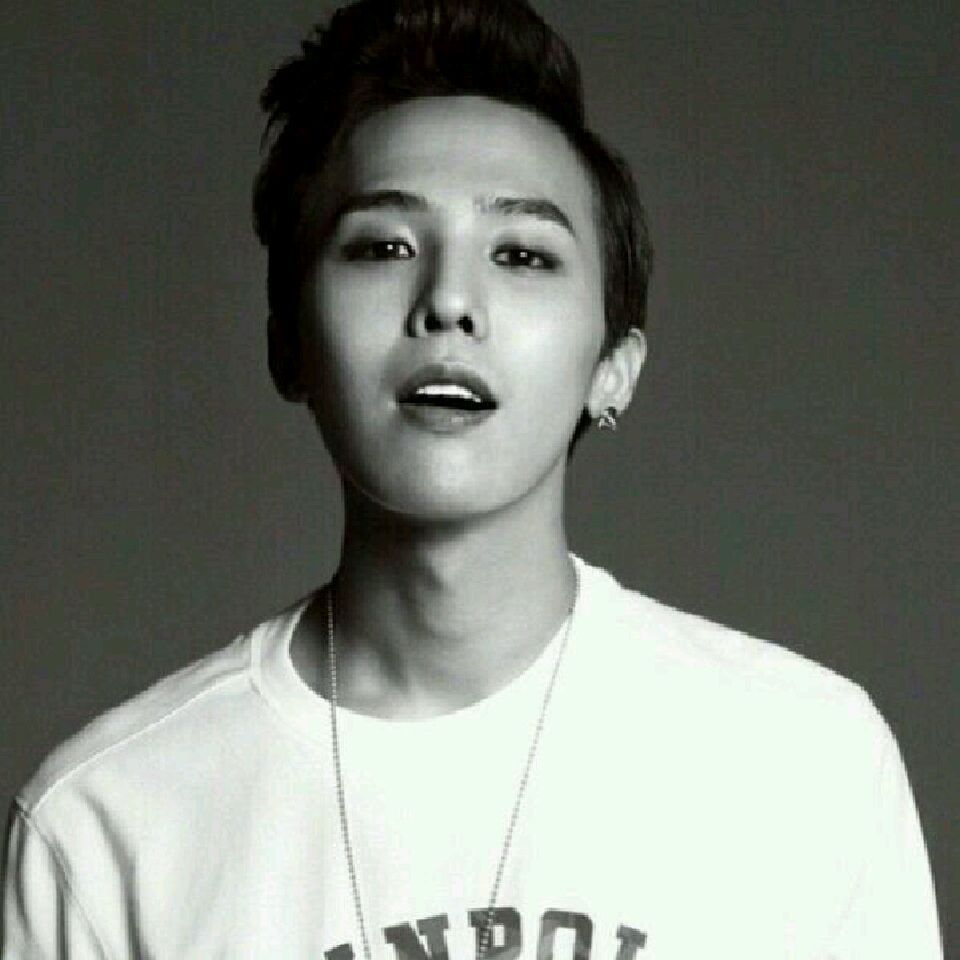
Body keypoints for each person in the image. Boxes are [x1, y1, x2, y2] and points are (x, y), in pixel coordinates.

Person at [1, 0, 943, 957]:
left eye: (523, 255)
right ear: (289, 345)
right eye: (383, 248)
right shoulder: (107, 826)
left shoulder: (807, 764)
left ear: (614, 367)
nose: (449, 301)